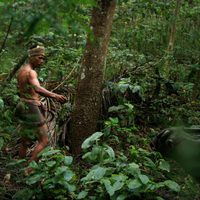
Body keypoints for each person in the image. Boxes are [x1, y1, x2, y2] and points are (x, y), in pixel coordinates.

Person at [15, 45, 66, 167]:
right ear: (32, 57)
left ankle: (19, 167)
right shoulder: (30, 72)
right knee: (45, 140)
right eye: (40, 58)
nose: (42, 61)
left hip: (23, 105)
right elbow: (36, 88)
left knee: (25, 141)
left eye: (43, 58)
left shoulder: (21, 70)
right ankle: (30, 169)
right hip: (31, 107)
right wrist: (55, 96)